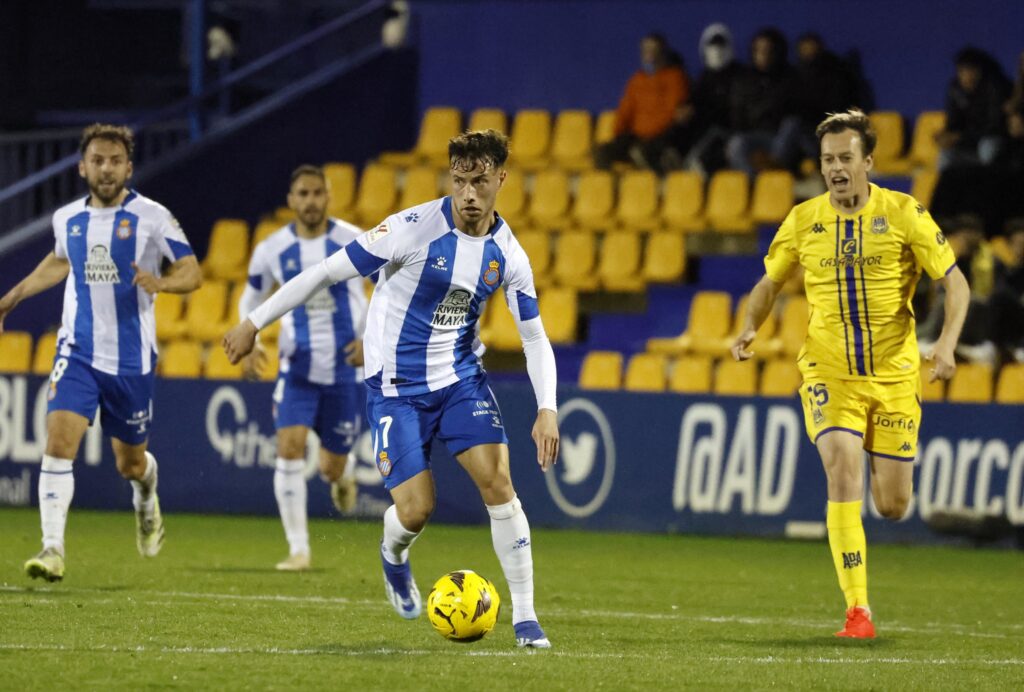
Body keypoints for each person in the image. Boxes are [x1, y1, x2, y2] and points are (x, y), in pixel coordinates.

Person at [224, 130, 560, 648]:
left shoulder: (508, 255)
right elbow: (326, 273)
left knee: (498, 483)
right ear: (451, 178)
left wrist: (547, 409)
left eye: (480, 181)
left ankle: (526, 618)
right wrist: (255, 320)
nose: (469, 193)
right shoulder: (410, 229)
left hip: (460, 380)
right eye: (460, 180)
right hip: (395, 389)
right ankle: (394, 556)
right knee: (415, 510)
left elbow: (534, 337)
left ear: (501, 180)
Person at [730, 109, 970, 638]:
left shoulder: (905, 213)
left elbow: (955, 284)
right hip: (828, 369)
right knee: (841, 468)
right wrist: (750, 326)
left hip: (894, 375)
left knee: (892, 505)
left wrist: (946, 346)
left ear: (868, 162)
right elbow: (769, 283)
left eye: (845, 158)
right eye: (827, 160)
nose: (835, 168)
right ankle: (857, 611)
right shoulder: (803, 220)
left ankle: (882, 473)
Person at [0, 123, 202, 582]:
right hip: (78, 352)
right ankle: (52, 548)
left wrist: (162, 282)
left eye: (115, 161)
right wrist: (12, 298)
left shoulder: (152, 217)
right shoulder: (68, 219)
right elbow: (58, 261)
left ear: (128, 168)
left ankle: (146, 493)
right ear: (82, 167)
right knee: (58, 442)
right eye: (98, 161)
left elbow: (192, 272)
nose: (106, 169)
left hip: (131, 361)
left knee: (130, 463)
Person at [239, 165, 368, 571]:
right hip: (297, 368)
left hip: (346, 369)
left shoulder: (352, 239)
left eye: (317, 193)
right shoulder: (271, 249)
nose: (310, 201)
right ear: (291, 199)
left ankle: (343, 476)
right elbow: (251, 298)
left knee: (330, 467)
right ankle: (299, 550)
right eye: (303, 193)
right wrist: (253, 341)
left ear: (328, 195)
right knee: (289, 447)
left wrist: (373, 339)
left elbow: (389, 286)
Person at [594, 33, 690, 173]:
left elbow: (672, 113)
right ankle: (608, 190)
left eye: (653, 50)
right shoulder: (637, 80)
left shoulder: (675, 78)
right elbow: (625, 110)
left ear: (662, 53)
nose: (649, 55)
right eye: (646, 50)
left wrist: (650, 134)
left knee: (643, 152)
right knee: (602, 152)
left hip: (660, 139)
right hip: (636, 138)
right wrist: (619, 133)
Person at [724, 27, 802, 175]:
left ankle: (773, 168)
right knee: (736, 143)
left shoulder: (791, 78)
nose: (763, 55)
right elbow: (737, 116)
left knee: (792, 124)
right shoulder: (744, 80)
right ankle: (753, 184)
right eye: (758, 50)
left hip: (779, 138)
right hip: (754, 137)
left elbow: (795, 110)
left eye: (768, 50)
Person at [936, 48, 1009, 170]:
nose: (965, 76)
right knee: (946, 155)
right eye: (961, 71)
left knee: (987, 148)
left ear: (979, 71)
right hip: (968, 144)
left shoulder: (995, 87)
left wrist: (960, 137)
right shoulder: (955, 89)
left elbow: (995, 126)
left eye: (969, 70)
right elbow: (953, 121)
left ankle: (991, 186)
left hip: (993, 141)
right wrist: (947, 134)